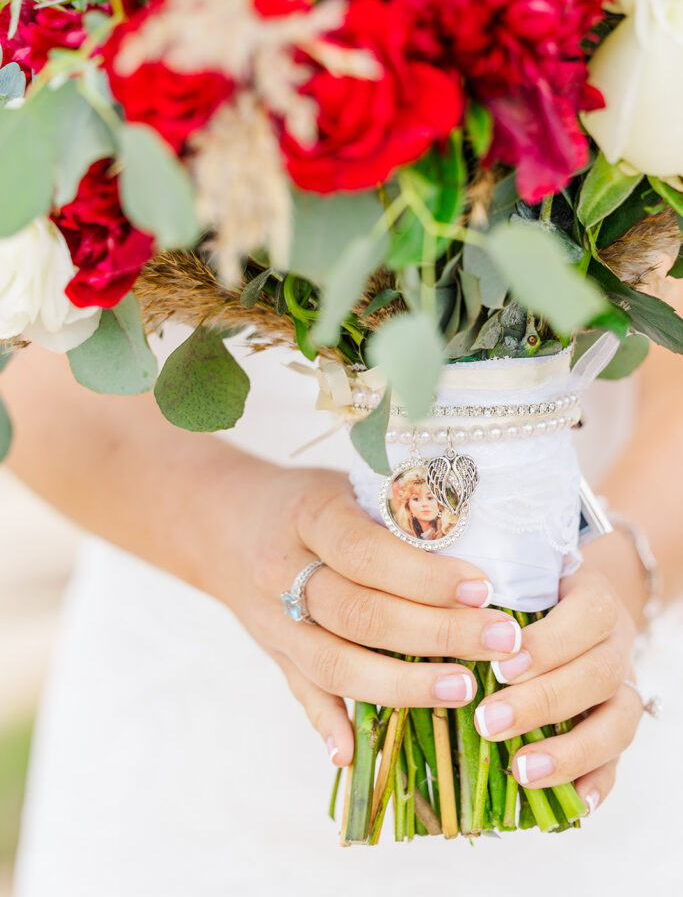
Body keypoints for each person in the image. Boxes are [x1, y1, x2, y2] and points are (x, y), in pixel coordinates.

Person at [3, 313, 683, 896]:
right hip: (191, 736)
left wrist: (619, 574)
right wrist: (226, 528)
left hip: (594, 688)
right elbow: (18, 335)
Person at [391, 469, 457, 540]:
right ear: (408, 506)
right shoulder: (408, 534)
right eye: (416, 499)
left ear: (439, 504)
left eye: (430, 498)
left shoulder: (450, 531)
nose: (424, 504)